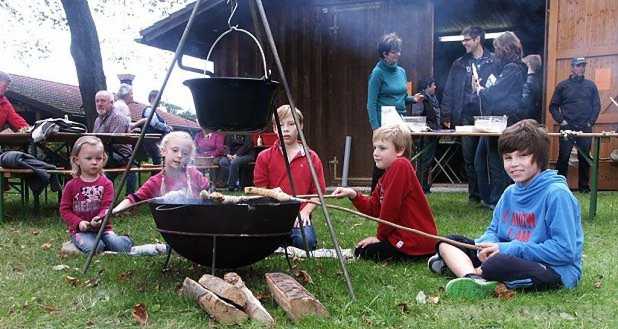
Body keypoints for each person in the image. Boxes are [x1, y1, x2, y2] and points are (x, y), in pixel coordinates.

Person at [427, 120, 583, 298]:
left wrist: (508, 249)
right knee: (448, 241)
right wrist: (485, 246)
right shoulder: (510, 192)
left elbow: (565, 251)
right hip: (507, 254)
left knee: (497, 264)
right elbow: (494, 230)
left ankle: (470, 270)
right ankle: (472, 278)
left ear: (540, 158)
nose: (514, 164)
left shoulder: (556, 194)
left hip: (553, 269)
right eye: (508, 158)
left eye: (522, 156)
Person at [332, 124, 438, 261]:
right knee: (363, 250)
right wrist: (353, 194)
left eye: (382, 148)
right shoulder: (385, 177)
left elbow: (390, 207)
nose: (376, 153)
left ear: (399, 150)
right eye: (375, 148)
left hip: (415, 241)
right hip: (403, 237)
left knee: (364, 252)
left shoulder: (401, 166)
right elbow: (374, 208)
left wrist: (379, 238)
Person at [253, 105, 326, 250]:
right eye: (280, 125)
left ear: (300, 126)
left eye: (291, 124)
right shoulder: (264, 156)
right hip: (272, 214)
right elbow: (259, 190)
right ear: (274, 129)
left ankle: (290, 238)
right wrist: (272, 196)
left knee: (306, 243)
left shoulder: (312, 157)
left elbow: (319, 193)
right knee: (258, 243)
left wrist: (305, 212)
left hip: (299, 215)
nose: (285, 129)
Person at [441, 26, 499, 204]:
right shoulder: (459, 63)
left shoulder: (494, 61)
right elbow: (449, 89)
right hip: (465, 114)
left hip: (486, 115)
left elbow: (500, 86)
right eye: (463, 39)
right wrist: (446, 114)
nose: (463, 42)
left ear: (477, 40)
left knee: (488, 157)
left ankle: (489, 195)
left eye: (467, 39)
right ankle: (474, 195)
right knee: (468, 157)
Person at [473, 31, 528, 208]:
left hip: (503, 121)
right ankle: (489, 197)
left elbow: (496, 93)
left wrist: (480, 90)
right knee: (482, 158)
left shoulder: (513, 68)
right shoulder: (512, 67)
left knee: (496, 161)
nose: (495, 52)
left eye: (497, 48)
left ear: (505, 48)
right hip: (498, 120)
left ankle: (497, 200)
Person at [366, 33, 423, 192]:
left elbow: (402, 97)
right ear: (384, 54)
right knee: (383, 159)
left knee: (401, 157)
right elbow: (371, 103)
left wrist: (413, 99)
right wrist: (375, 128)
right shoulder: (377, 73)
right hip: (384, 121)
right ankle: (374, 195)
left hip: (399, 119)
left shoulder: (401, 72)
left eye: (399, 50)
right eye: (394, 51)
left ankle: (400, 191)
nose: (398, 54)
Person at [60, 136, 133, 254]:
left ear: (103, 159)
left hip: (104, 229)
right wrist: (79, 223)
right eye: (89, 158)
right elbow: (65, 210)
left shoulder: (106, 184)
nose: (94, 162)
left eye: (98, 158)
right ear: (77, 160)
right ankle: (77, 244)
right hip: (81, 231)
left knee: (120, 247)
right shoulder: (71, 185)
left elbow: (107, 207)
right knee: (95, 248)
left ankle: (125, 240)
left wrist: (100, 218)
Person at [114, 131, 209, 212]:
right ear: (163, 151)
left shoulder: (193, 173)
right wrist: (114, 211)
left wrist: (205, 195)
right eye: (175, 150)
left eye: (185, 153)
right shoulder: (156, 181)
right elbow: (134, 198)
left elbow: (208, 189)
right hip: (169, 221)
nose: (180, 155)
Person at [549, 57, 601, 193]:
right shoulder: (562, 85)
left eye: (583, 65)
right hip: (567, 127)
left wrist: (591, 122)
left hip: (585, 127)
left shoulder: (591, 85)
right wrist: (561, 121)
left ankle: (584, 188)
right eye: (578, 65)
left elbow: (596, 106)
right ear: (572, 67)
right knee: (563, 157)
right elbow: (553, 106)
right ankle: (559, 187)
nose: (581, 68)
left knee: (585, 158)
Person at [92, 90, 137, 195]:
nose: (99, 104)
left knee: (88, 161)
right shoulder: (98, 120)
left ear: (111, 103)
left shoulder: (118, 117)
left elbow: (113, 142)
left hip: (121, 156)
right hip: (107, 153)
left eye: (103, 101)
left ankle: (98, 196)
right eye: (97, 101)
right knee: (81, 160)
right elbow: (94, 139)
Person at [411, 78, 441, 193]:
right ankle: (421, 187)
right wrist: (426, 127)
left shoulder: (433, 98)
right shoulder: (421, 98)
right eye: (433, 85)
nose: (435, 87)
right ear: (428, 86)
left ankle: (425, 186)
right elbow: (416, 116)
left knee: (428, 160)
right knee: (423, 160)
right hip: (424, 135)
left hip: (432, 133)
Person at [132, 90, 173, 166]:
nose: (160, 101)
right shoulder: (149, 110)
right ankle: (155, 177)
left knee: (158, 161)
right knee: (157, 161)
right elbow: (155, 124)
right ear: (153, 98)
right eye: (159, 98)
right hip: (150, 140)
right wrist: (167, 128)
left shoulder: (153, 111)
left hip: (153, 140)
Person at [522, 54, 543, 122]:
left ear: (528, 64)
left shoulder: (529, 80)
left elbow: (524, 101)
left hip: (525, 115)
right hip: (533, 114)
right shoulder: (537, 79)